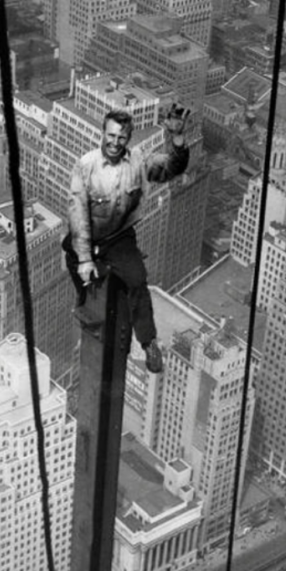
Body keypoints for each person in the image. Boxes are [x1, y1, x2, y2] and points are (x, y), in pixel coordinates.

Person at [63, 104, 190, 373]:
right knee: (72, 256)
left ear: (128, 139)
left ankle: (148, 343)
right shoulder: (85, 166)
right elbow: (78, 217)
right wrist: (85, 258)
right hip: (89, 234)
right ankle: (83, 298)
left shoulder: (139, 163)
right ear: (103, 133)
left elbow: (173, 167)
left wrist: (177, 138)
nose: (115, 142)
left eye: (121, 137)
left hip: (119, 238)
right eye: (111, 135)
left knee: (137, 280)